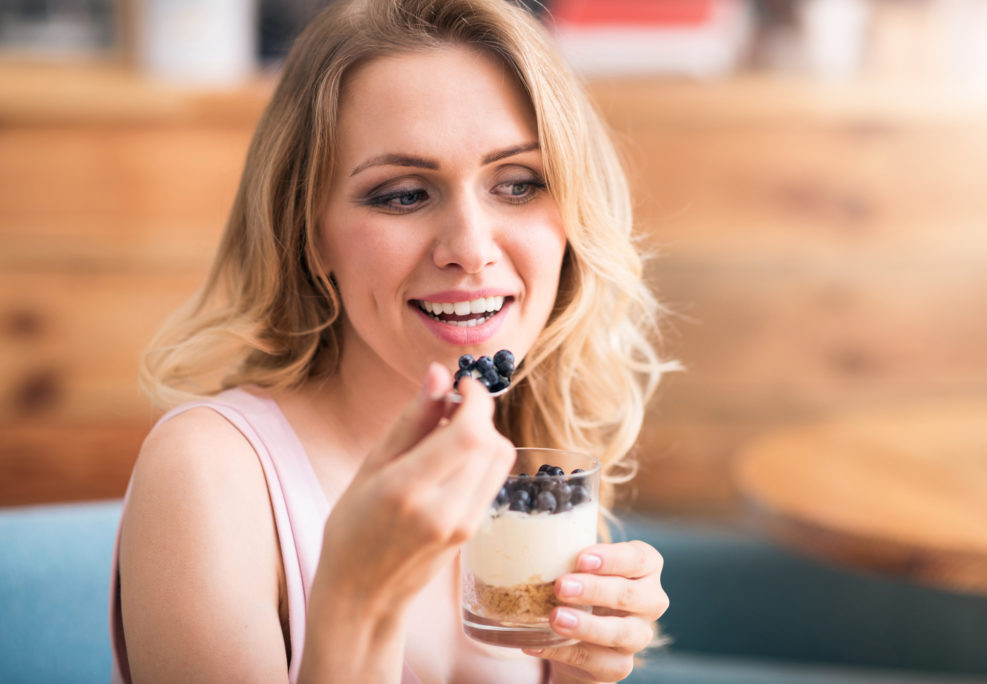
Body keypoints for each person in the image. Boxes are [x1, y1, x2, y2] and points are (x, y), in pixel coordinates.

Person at [111, 0, 674, 682]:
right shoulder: (209, 473)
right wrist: (354, 599)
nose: (470, 248)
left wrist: (584, 674)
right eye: (404, 194)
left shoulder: (536, 460)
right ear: (311, 235)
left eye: (519, 184)